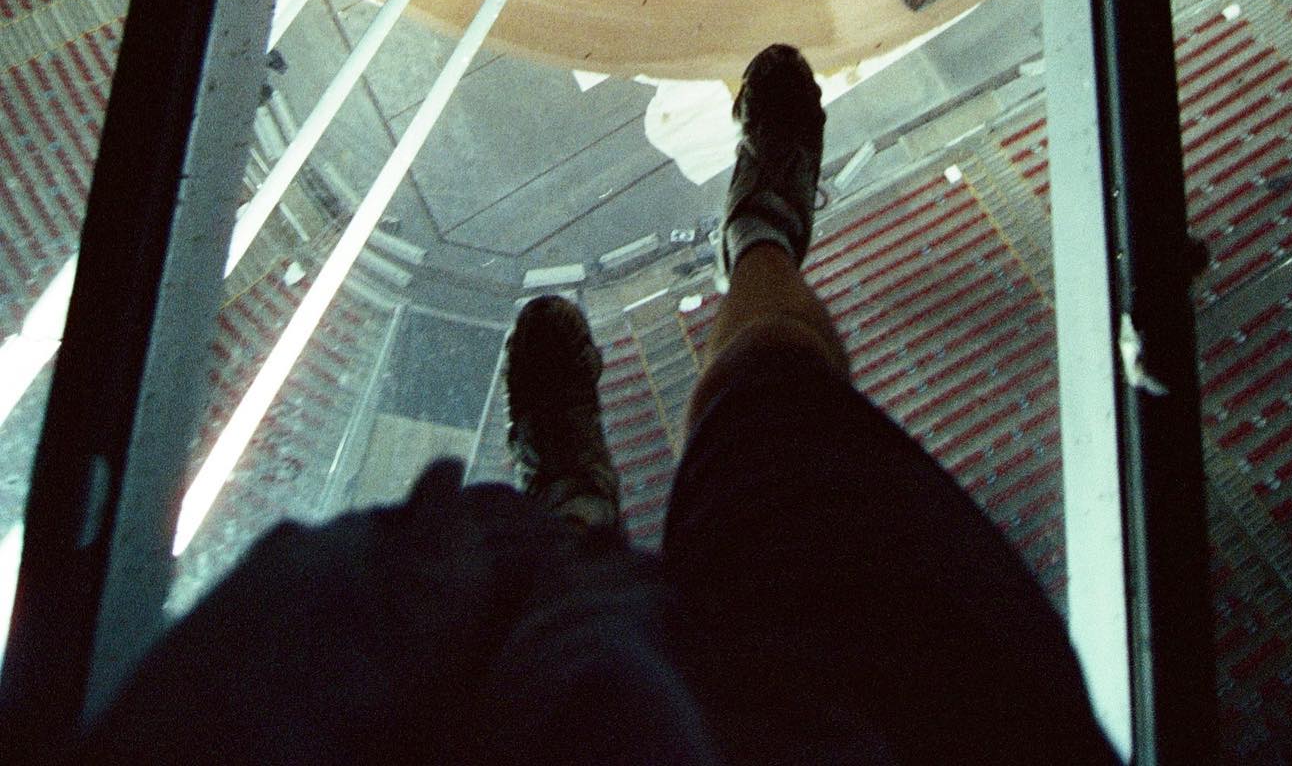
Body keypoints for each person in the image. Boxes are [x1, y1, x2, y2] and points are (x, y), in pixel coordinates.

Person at [69, 45, 1118, 766]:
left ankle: (572, 501)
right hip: (893, 716)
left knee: (543, 568)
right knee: (774, 399)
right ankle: (761, 232)